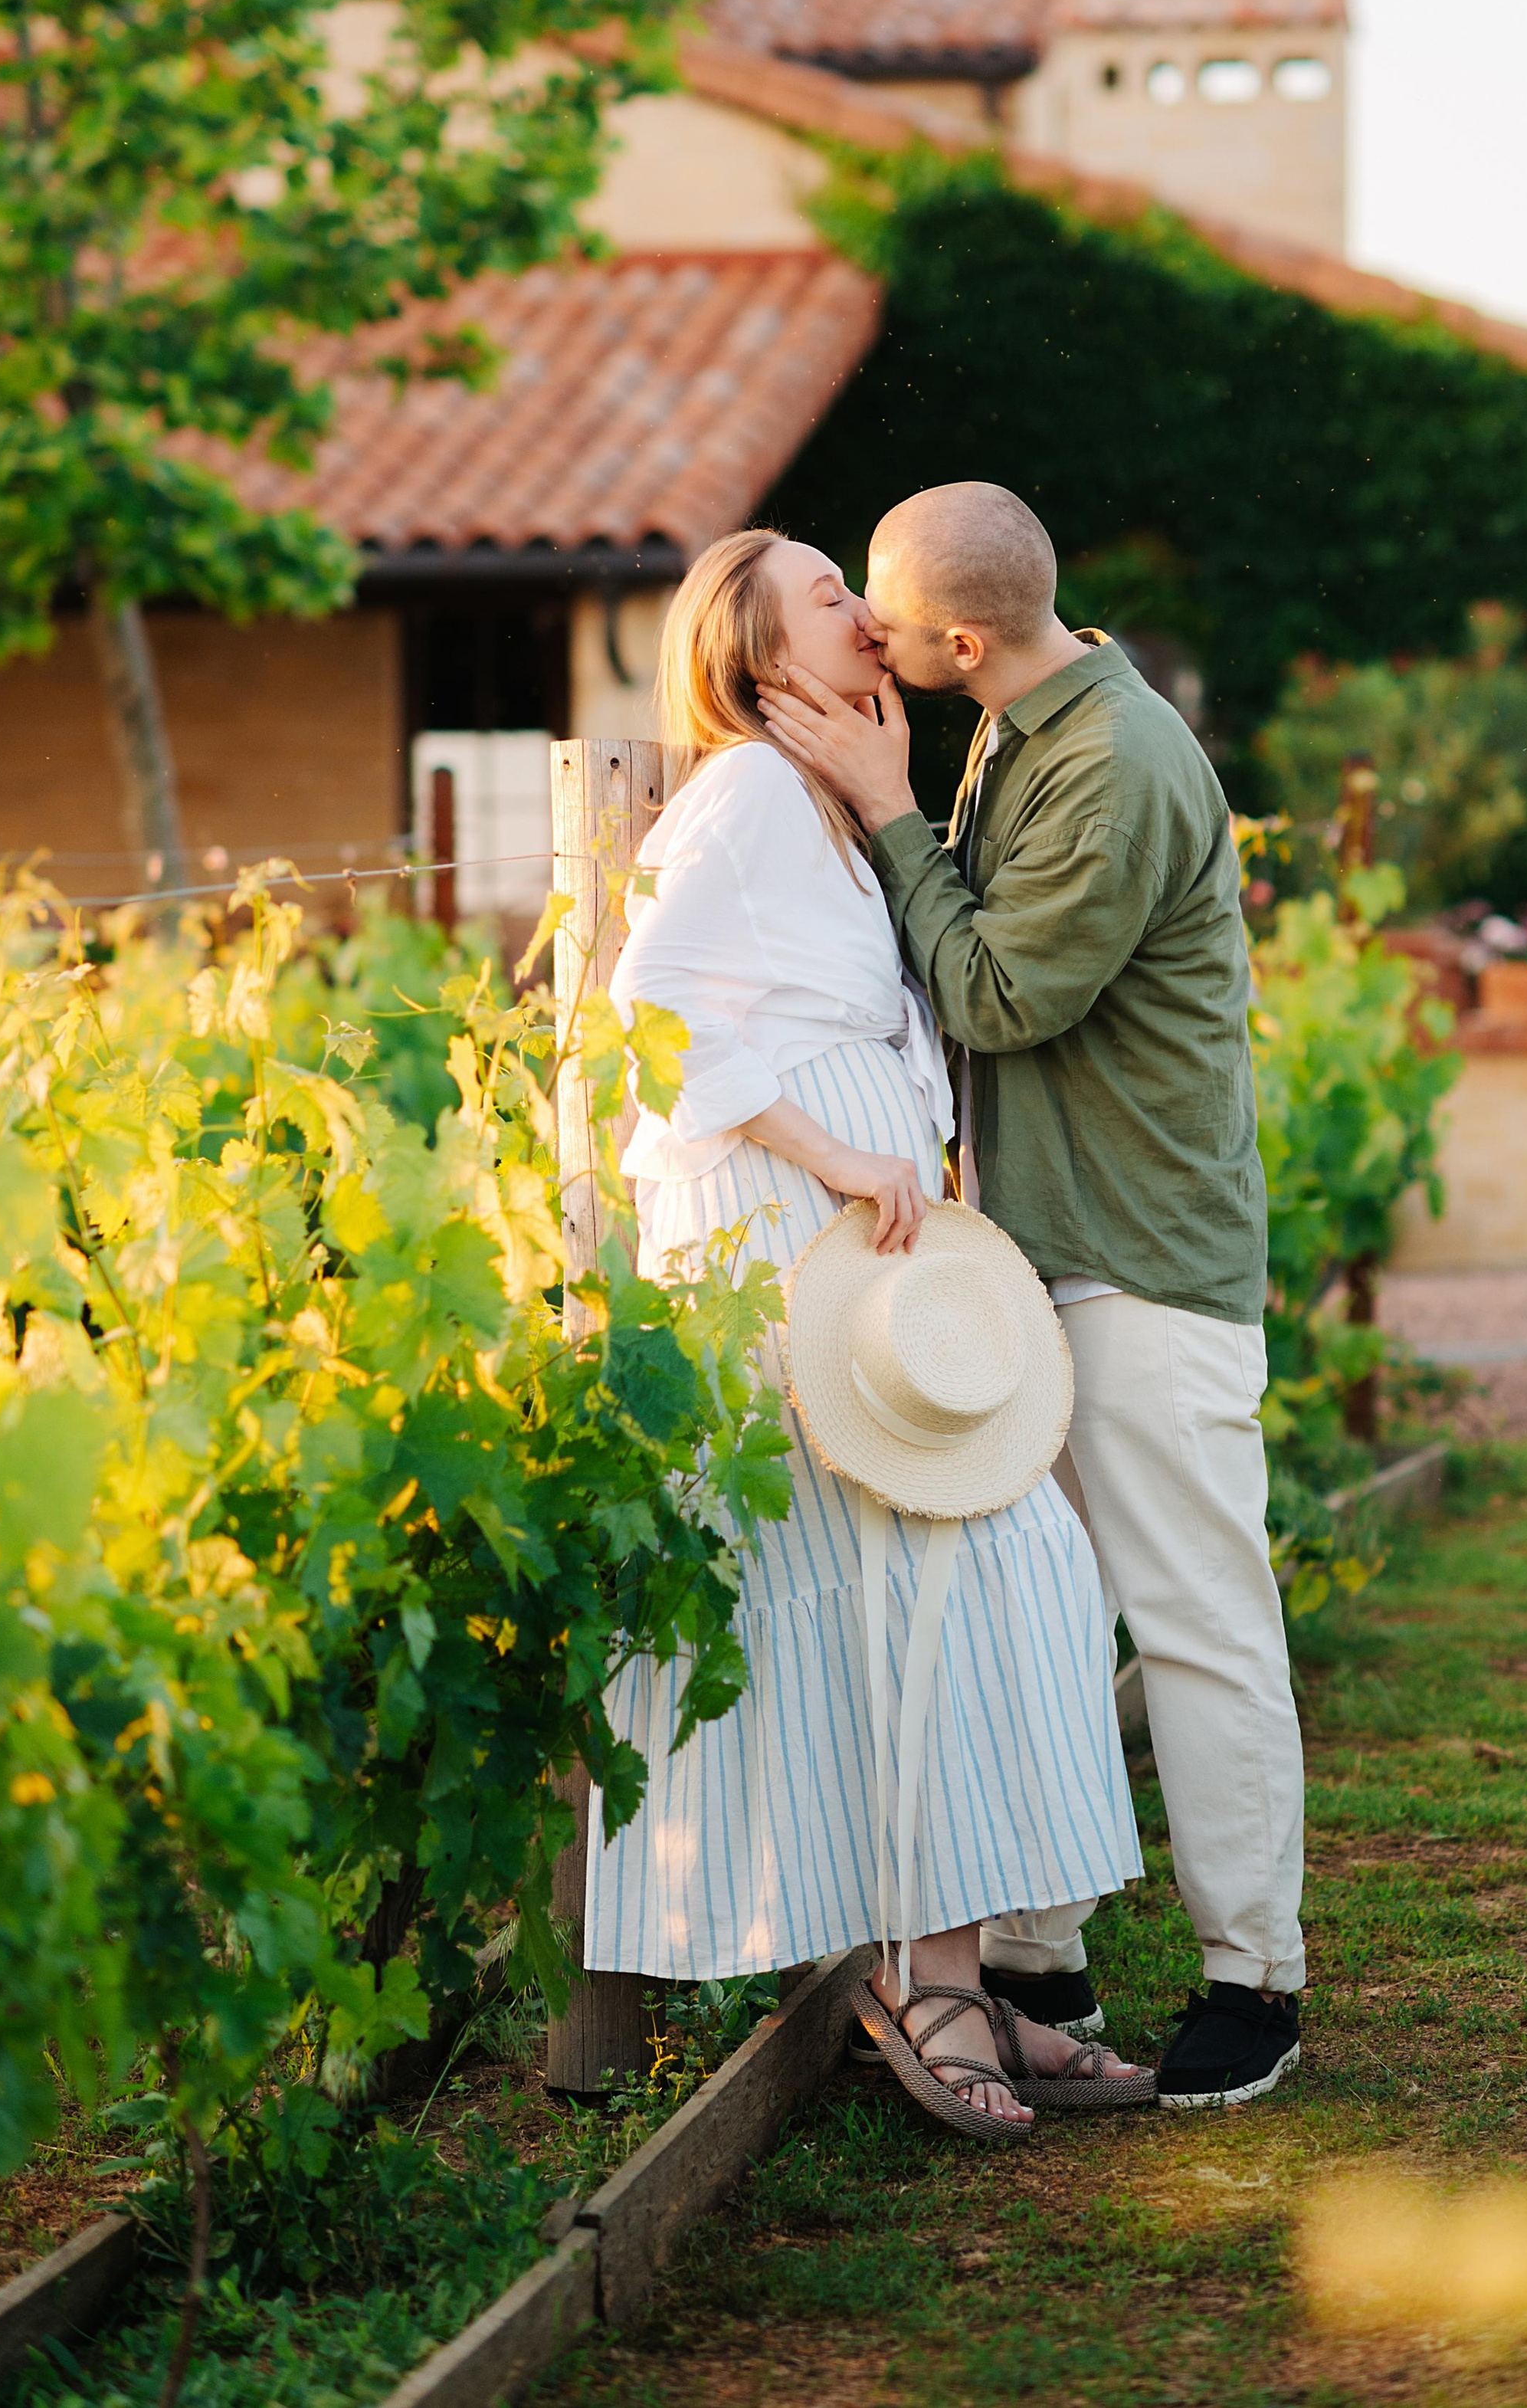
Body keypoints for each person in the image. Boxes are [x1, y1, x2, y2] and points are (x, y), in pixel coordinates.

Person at [586, 526, 1146, 2135]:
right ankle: (930, 1979)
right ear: (759, 661)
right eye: (826, 592)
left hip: (862, 1242)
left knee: (975, 1578)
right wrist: (836, 1153)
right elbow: (652, 1002)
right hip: (787, 1238)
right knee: (919, 1583)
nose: (863, 606)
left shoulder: (826, 803)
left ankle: (943, 1966)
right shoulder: (752, 794)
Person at [759, 480, 1307, 2111]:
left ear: (962, 639)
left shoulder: (1119, 765)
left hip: (1141, 1262)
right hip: (1045, 1259)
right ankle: (1033, 1956)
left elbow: (996, 990)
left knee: (1197, 1622)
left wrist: (884, 811)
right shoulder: (1017, 719)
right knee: (1046, 1614)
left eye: (882, 608)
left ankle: (1254, 1980)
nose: (862, 624)